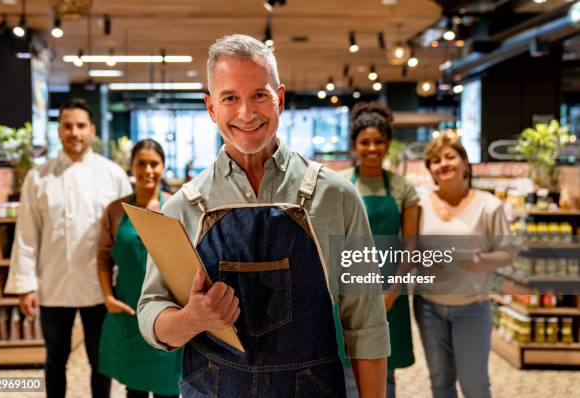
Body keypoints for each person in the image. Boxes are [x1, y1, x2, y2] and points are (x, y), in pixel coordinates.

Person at [137, 34, 390, 397]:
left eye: (259, 94)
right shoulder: (182, 207)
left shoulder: (336, 197)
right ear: (211, 109)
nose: (247, 112)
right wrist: (190, 319)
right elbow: (150, 313)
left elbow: (366, 322)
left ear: (280, 98)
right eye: (230, 98)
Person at [5, 98, 132, 398]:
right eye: (67, 126)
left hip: (101, 287)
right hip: (53, 285)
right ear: (59, 130)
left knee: (101, 361)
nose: (74, 132)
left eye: (80, 126)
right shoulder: (38, 177)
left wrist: (128, 283)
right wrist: (26, 286)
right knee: (54, 360)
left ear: (92, 130)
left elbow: (126, 234)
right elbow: (26, 235)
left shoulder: (113, 175)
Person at [414, 133, 511, 398]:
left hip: (473, 306)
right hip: (428, 306)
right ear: (430, 170)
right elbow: (410, 252)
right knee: (441, 383)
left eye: (449, 157)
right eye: (435, 160)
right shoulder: (419, 205)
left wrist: (483, 261)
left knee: (474, 385)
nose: (443, 164)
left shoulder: (489, 206)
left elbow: (507, 253)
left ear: (465, 163)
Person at [338, 101, 419, 398]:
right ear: (354, 145)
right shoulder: (340, 184)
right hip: (347, 290)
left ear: (387, 144)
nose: (372, 148)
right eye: (365, 142)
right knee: (347, 366)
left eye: (379, 142)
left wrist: (393, 291)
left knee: (385, 370)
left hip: (389, 293)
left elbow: (411, 244)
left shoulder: (403, 188)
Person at [97, 139, 183, 398]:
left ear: (163, 166)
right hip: (128, 308)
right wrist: (108, 298)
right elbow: (103, 258)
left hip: (167, 311)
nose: (148, 170)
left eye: (154, 164)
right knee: (133, 387)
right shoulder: (115, 210)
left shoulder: (176, 206)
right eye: (141, 163)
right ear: (131, 167)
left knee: (167, 386)